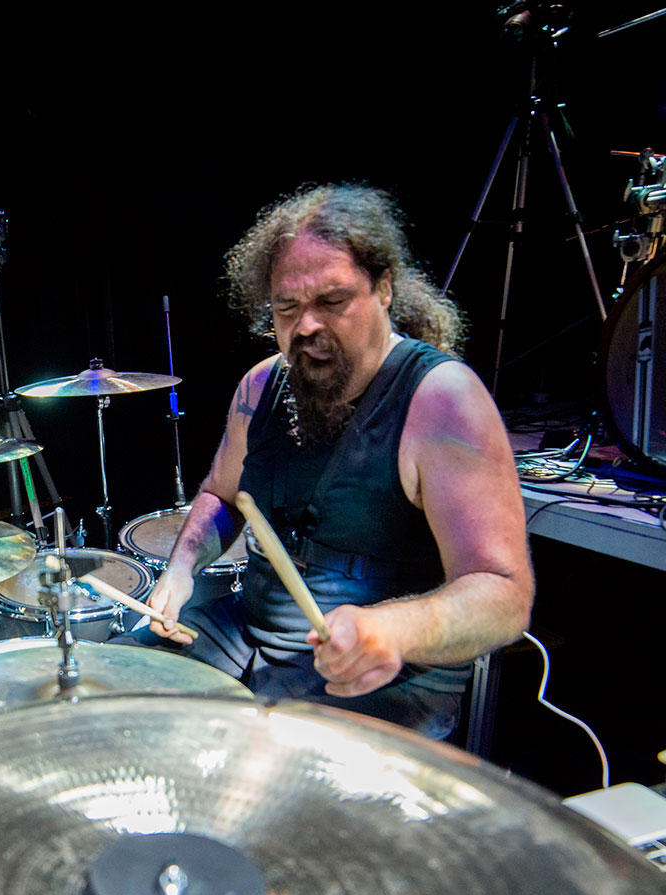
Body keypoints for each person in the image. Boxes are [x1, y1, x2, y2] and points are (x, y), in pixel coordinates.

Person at [120, 184, 534, 739]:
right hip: (246, 633)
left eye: (332, 301)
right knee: (110, 692)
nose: (307, 325)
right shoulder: (262, 385)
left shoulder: (442, 401)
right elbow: (222, 493)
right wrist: (181, 568)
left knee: (250, 767)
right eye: (287, 308)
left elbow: (505, 596)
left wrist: (391, 628)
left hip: (384, 680)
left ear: (384, 288)